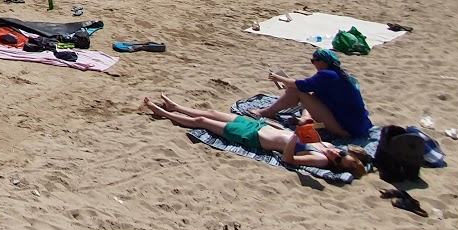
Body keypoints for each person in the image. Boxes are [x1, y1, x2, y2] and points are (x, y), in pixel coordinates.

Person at [143, 97, 369, 174]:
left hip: (254, 138)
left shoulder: (319, 159)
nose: (335, 154)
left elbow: (288, 160)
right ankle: (176, 106)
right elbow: (306, 130)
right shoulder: (327, 146)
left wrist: (293, 139)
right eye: (341, 153)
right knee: (212, 112)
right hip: (260, 126)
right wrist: (306, 124)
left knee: (202, 123)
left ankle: (162, 112)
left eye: (338, 159)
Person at [250, 49, 371, 140]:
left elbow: (300, 85)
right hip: (358, 126)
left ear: (322, 62)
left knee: (297, 90)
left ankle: (268, 112)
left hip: (345, 129)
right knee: (312, 93)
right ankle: (306, 118)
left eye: (313, 61)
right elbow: (311, 90)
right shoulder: (341, 75)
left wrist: (278, 78)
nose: (313, 64)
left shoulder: (327, 75)